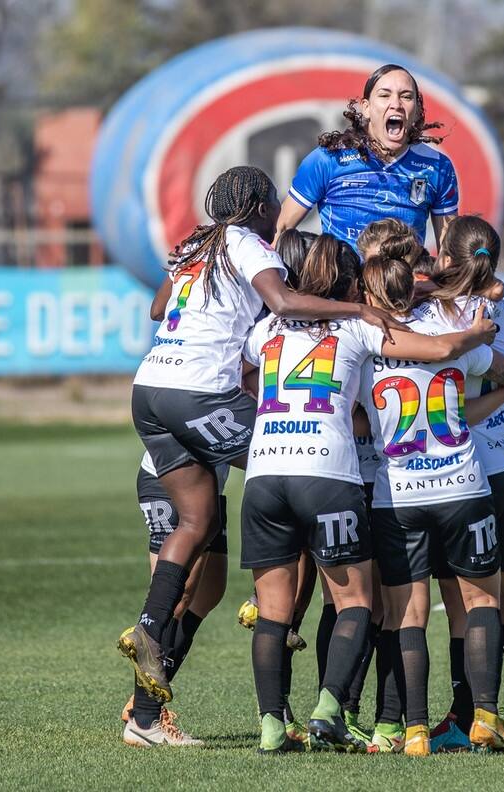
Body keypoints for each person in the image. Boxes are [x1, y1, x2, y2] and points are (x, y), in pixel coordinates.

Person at [118, 166, 407, 707]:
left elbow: (159, 309)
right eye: (273, 199)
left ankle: (149, 630)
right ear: (253, 204)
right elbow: (285, 302)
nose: (279, 209)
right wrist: (357, 307)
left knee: (198, 520)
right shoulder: (246, 242)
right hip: (198, 390)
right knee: (290, 464)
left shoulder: (197, 245)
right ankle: (272, 603)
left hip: (149, 386)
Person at [239, 234, 500, 753]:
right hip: (327, 472)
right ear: (348, 283)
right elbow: (437, 350)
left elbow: (245, 373)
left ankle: (271, 725)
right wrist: (475, 333)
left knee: (273, 607)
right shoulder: (357, 325)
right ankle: (330, 708)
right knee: (357, 601)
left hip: (262, 472)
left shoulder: (266, 326)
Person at [358, 251, 504, 756]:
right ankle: (484, 718)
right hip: (462, 489)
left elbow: (357, 416)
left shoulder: (366, 343)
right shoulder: (451, 330)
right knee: (481, 603)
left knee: (407, 614)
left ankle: (413, 731)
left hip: (398, 496)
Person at [416, 215, 504, 752]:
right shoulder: (502, 308)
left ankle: (468, 712)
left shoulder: (438, 313)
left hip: (471, 475)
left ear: (447, 258)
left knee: (462, 599)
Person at [275, 64, 458, 249]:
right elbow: (280, 231)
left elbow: (449, 252)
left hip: (404, 278)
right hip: (344, 277)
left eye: (406, 96)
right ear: (366, 108)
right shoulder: (328, 159)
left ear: (417, 110)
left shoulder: (437, 166)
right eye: (385, 95)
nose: (396, 104)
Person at [120, 454, 229, 747]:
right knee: (176, 599)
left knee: (210, 592)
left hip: (208, 486)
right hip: (171, 480)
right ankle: (145, 720)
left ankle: (142, 699)